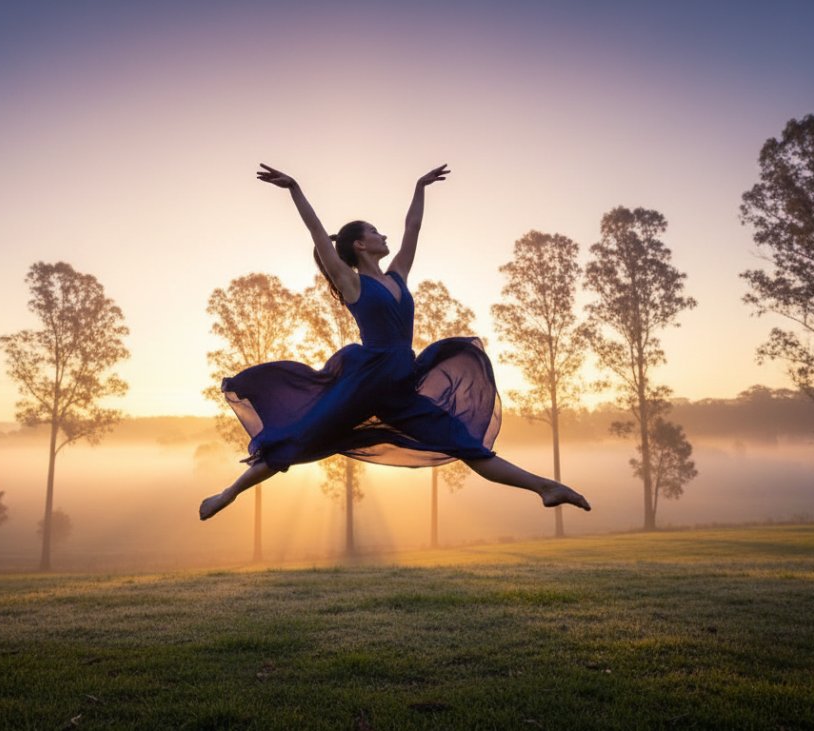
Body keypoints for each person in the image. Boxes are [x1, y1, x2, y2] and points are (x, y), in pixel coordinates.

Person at [199, 163, 591, 520]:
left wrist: (421, 187)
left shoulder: (398, 276)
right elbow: (318, 232)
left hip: (400, 383)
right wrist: (295, 189)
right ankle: (228, 494)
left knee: (464, 443)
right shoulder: (352, 282)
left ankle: (545, 487)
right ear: (360, 245)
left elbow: (413, 228)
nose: (382, 234)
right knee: (296, 440)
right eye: (374, 231)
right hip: (365, 380)